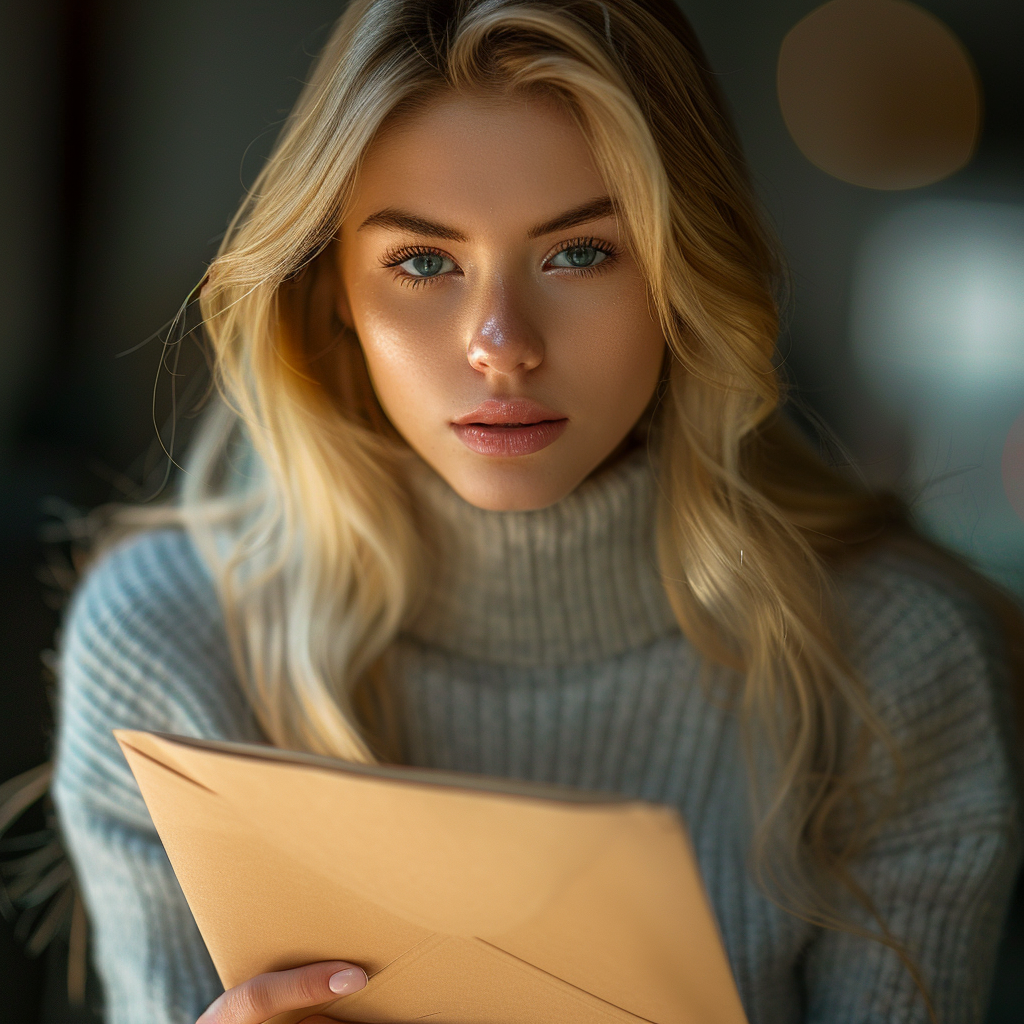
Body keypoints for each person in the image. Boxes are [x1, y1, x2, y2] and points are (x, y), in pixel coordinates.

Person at [53, 1, 1023, 1023]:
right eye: (423, 262)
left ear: (681, 272)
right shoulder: (165, 643)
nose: (501, 344)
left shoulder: (889, 660)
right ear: (331, 289)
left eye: (580, 253)